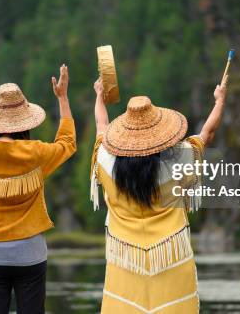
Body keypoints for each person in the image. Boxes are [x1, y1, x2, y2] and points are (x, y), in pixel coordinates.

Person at [90, 75, 228, 313]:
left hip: (125, 262)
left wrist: (99, 99)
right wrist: (220, 101)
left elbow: (101, 127)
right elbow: (207, 133)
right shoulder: (178, 162)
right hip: (171, 258)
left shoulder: (106, 161)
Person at [0, 64, 76, 314]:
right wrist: (62, 98)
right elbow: (68, 143)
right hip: (29, 253)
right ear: (25, 120)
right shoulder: (37, 153)